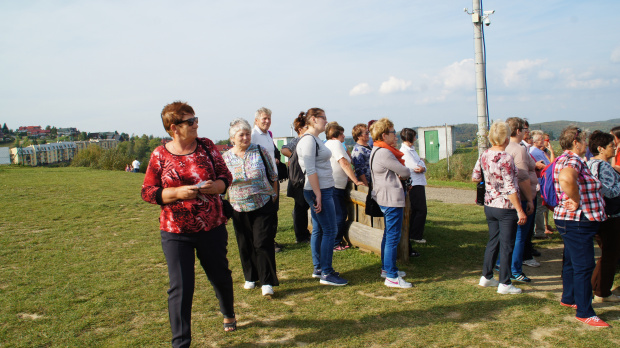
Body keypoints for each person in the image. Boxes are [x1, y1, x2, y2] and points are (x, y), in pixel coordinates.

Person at [141, 101, 236, 347]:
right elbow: (148, 192)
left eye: (195, 119)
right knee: (181, 288)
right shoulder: (159, 155)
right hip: (175, 231)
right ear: (174, 128)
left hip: (212, 227)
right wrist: (177, 194)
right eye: (190, 121)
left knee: (220, 275)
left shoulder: (206, 146)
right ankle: (180, 343)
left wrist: (218, 186)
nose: (196, 124)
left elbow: (226, 175)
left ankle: (228, 313)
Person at [553, 126, 609, 327]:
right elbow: (567, 178)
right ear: (576, 143)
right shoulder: (574, 160)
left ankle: (569, 298)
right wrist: (575, 200)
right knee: (584, 266)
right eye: (584, 142)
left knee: (571, 260)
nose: (586, 146)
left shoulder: (561, 158)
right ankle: (585, 312)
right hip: (577, 221)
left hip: (569, 220)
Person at [223, 118, 279, 297]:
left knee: (262, 242)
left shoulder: (260, 151)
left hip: (262, 203)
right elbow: (222, 183)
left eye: (248, 134)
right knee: (244, 244)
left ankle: (267, 281)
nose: (246, 137)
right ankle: (250, 277)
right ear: (233, 138)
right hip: (238, 206)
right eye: (242, 135)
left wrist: (274, 195)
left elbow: (273, 175)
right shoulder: (225, 158)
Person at [473, 120, 527, 295]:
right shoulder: (506, 158)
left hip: (490, 204)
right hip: (505, 206)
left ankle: (487, 276)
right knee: (507, 245)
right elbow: (510, 187)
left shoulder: (484, 154)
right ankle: (505, 282)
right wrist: (519, 209)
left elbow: (475, 177)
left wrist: (490, 181)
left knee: (493, 241)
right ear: (505, 139)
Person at [297, 108, 348, 286]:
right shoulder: (309, 141)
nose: (326, 121)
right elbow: (310, 170)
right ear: (313, 119)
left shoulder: (315, 139)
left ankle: (319, 268)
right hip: (319, 190)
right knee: (330, 230)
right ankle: (327, 273)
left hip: (321, 189)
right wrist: (318, 193)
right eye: (323, 118)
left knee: (319, 229)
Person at [370, 118, 412, 288]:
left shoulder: (377, 149)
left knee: (389, 235)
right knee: (393, 237)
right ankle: (392, 277)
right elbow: (404, 171)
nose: (395, 136)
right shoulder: (384, 152)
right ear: (384, 135)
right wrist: (406, 171)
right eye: (393, 132)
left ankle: (387, 270)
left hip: (385, 197)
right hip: (391, 198)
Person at [501, 117, 539, 281]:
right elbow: (523, 177)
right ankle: (515, 269)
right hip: (522, 196)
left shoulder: (503, 147)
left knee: (507, 235)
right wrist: (529, 199)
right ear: (518, 131)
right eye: (524, 130)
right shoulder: (519, 149)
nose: (526, 133)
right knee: (519, 236)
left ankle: (500, 263)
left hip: (506, 197)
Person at [586, 131, 620, 303]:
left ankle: (596, 288)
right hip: (610, 216)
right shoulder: (604, 166)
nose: (614, 148)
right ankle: (602, 291)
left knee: (606, 254)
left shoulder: (590, 164)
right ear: (601, 148)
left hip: (600, 214)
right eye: (611, 146)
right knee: (610, 254)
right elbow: (608, 190)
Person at [324, 122, 364, 250]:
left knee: (336, 214)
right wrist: (355, 180)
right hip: (335, 185)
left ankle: (334, 241)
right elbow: (344, 163)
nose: (344, 135)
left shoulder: (328, 144)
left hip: (333, 183)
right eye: (342, 133)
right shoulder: (336, 144)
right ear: (337, 134)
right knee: (340, 214)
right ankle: (335, 243)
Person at [250, 107, 283, 252]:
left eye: (269, 118)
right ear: (256, 120)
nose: (267, 121)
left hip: (273, 177)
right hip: (261, 180)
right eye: (264, 118)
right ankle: (266, 241)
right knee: (265, 212)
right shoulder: (253, 135)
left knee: (273, 210)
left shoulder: (267, 135)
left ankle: (271, 240)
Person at [281, 118, 311, 243]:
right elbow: (284, 149)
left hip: (301, 178)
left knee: (301, 207)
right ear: (300, 129)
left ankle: (303, 233)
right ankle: (301, 235)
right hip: (299, 179)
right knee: (300, 207)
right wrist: (296, 158)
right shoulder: (298, 140)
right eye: (307, 127)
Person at [400, 128, 428, 245]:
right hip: (414, 183)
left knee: (419, 209)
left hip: (419, 182)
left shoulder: (412, 150)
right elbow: (415, 166)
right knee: (420, 210)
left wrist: (422, 166)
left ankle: (415, 233)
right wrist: (421, 166)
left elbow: (422, 164)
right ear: (409, 137)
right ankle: (415, 235)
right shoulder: (405, 151)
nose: (416, 139)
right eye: (414, 136)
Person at [530, 130, 552, 239]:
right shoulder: (537, 152)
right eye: (541, 140)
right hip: (540, 182)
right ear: (535, 141)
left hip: (538, 181)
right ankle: (540, 231)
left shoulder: (535, 151)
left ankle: (540, 229)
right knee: (540, 208)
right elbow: (548, 166)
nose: (543, 141)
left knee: (539, 207)